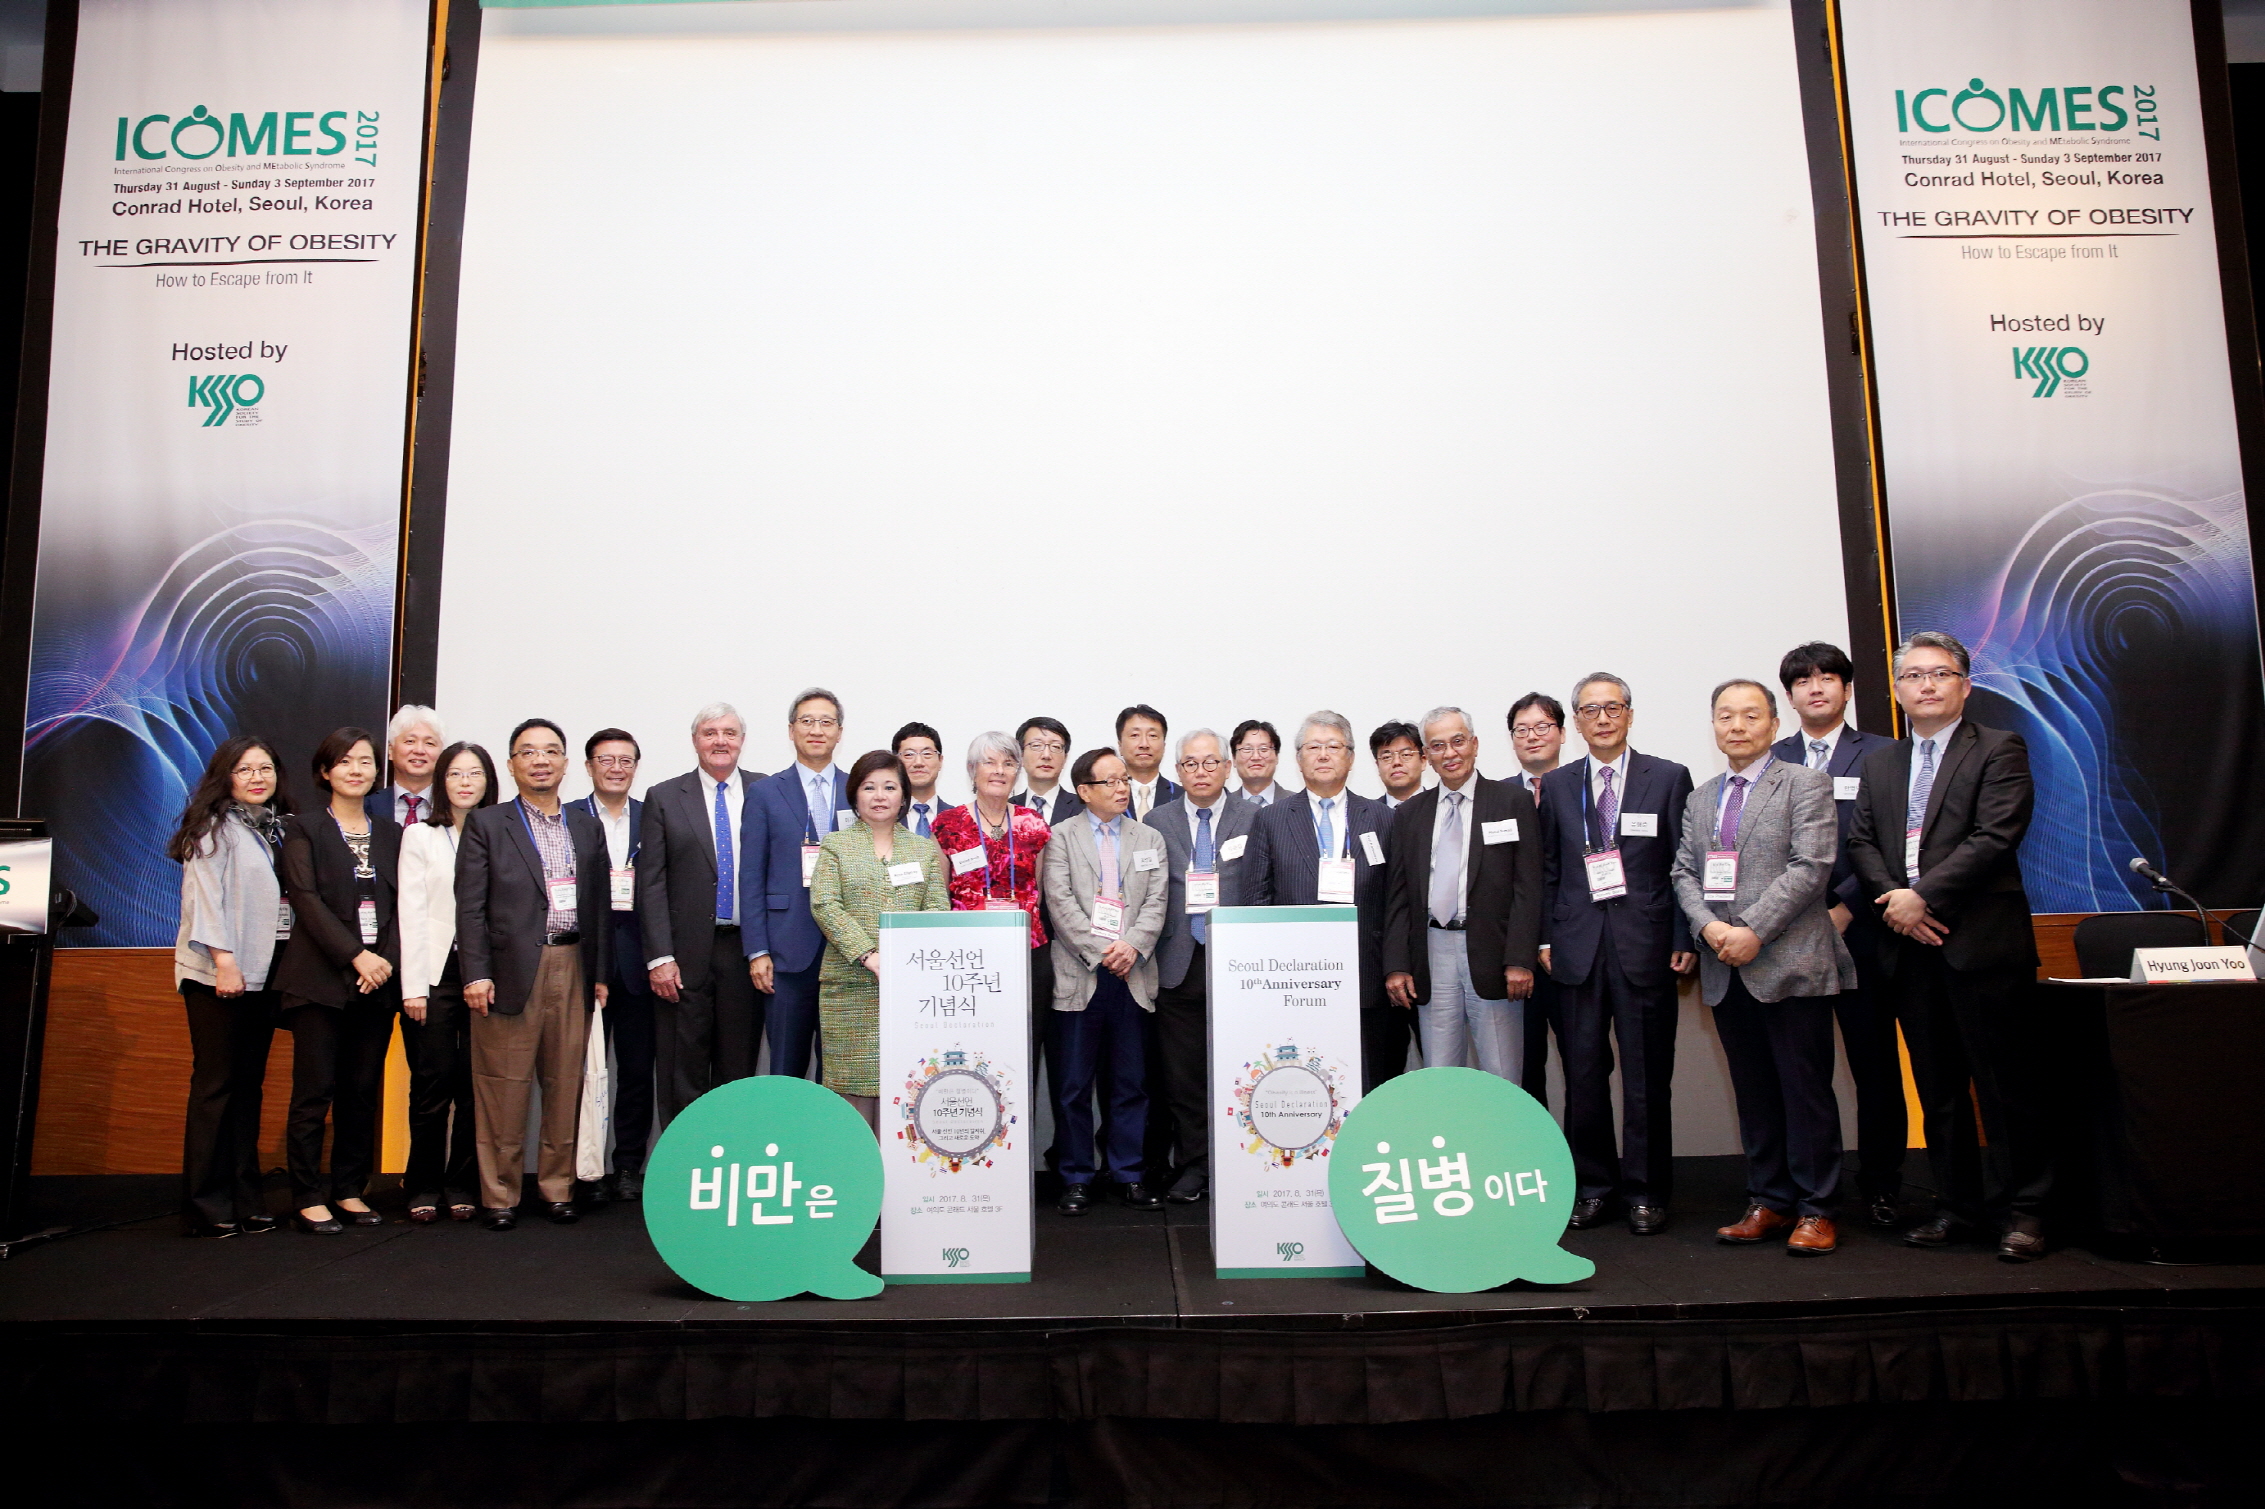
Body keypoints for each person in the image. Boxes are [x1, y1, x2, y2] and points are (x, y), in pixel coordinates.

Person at [1847, 631, 2047, 1262]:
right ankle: (1958, 1206)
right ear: (1897, 691)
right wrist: (1897, 903)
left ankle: (2027, 1211)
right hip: (1908, 947)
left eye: (1939, 673)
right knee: (1937, 1091)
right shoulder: (1882, 762)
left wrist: (1923, 898)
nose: (1926, 685)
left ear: (1965, 684)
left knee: (2005, 1086)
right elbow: (1861, 843)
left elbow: (1996, 836)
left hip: (1980, 944)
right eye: (1912, 676)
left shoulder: (1999, 748)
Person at [1671, 679, 1853, 1256]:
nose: (1737, 726)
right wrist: (1710, 928)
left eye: (1751, 715)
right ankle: (1770, 1200)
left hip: (1789, 962)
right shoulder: (1702, 797)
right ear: (1714, 726)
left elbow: (1811, 866)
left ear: (1774, 725)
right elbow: (1683, 871)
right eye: (1725, 716)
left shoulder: (1805, 782)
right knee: (1753, 1094)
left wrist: (1752, 929)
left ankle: (1817, 1208)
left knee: (1805, 1092)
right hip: (1725, 964)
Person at [1536, 674, 1695, 1236]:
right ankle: (1594, 1188)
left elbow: (1683, 864)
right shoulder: (1557, 785)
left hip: (1646, 946)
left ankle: (1646, 1193)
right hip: (1575, 949)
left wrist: (1682, 937)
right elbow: (1548, 869)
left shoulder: (1668, 777)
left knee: (1647, 1076)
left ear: (1629, 713)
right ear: (1576, 722)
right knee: (1582, 1074)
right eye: (1590, 710)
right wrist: (1545, 939)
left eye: (1612, 708)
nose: (1602, 719)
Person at [458, 718, 611, 1230]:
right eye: (528, 752)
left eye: (550, 751)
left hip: (574, 964)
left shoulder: (585, 825)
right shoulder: (487, 824)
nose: (540, 760)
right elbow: (470, 907)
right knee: (503, 1087)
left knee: (565, 1083)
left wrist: (600, 973)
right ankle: (500, 1195)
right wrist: (475, 973)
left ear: (566, 763)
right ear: (511, 764)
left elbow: (599, 907)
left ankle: (557, 1188)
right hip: (508, 971)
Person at [1774, 641, 1903, 1226]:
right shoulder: (1770, 758)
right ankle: (1802, 1189)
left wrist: (1848, 907)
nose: (1816, 688)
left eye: (1827, 678)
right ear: (1790, 696)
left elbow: (1892, 842)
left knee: (1874, 1065)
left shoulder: (1884, 754)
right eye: (1803, 681)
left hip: (1863, 933)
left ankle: (1882, 1185)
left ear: (1847, 689)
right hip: (1788, 939)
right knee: (1800, 1071)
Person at [272, 727, 400, 1234]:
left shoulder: (392, 833)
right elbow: (305, 899)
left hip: (377, 982)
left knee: (361, 1092)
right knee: (314, 1092)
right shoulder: (303, 829)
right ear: (325, 772)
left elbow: (405, 907)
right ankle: (307, 1195)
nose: (356, 770)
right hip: (318, 981)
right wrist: (356, 956)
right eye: (344, 761)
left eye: (365, 761)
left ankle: (348, 1189)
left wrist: (383, 961)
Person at [169, 735, 293, 1238]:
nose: (257, 778)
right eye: (245, 770)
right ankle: (206, 1203)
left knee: (247, 1088)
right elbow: (203, 900)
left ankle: (247, 1197)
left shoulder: (275, 828)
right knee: (215, 1087)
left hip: (262, 974)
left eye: (265, 768)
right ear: (226, 777)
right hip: (216, 974)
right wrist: (224, 962)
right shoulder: (211, 828)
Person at [1380, 707, 1542, 1088]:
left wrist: (1521, 958)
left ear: (1474, 744)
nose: (1450, 753)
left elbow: (1528, 887)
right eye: (1438, 746)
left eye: (1457, 741)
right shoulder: (1410, 814)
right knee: (1441, 1076)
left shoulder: (1511, 802)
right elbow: (1399, 896)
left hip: (1493, 954)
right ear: (1426, 755)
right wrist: (1397, 965)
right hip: (1432, 952)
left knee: (1502, 1076)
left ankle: (1502, 1131)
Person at [1247, 712, 1404, 1091]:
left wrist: (1394, 966)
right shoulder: (1270, 820)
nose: (1323, 755)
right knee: (1308, 1085)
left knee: (1370, 1082)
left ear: (1350, 758)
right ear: (1298, 759)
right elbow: (1256, 903)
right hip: (1295, 981)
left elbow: (1396, 900)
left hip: (1367, 977)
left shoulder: (1382, 818)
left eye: (1333, 746)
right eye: (1313, 747)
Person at [1041, 749, 1168, 1215]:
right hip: (1080, 975)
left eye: (1124, 780)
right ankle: (1076, 1177)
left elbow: (1157, 901)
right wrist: (1102, 951)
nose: (1121, 788)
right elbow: (1060, 903)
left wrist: (1131, 946)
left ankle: (1128, 1173)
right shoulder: (1060, 837)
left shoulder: (1149, 837)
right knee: (1073, 1086)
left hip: (1133, 974)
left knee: (1131, 1083)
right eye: (1110, 781)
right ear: (1084, 791)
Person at [1142, 728, 1259, 1202]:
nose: (1201, 771)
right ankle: (1194, 1165)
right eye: (1191, 763)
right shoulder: (1157, 820)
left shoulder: (1255, 817)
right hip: (1178, 961)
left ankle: (1239, 1162)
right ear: (1178, 771)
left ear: (1228, 768)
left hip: (1239, 964)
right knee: (1184, 1076)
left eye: (1211, 762)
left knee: (1241, 1069)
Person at [936, 733, 1059, 1173]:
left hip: (1028, 955)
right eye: (990, 763)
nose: (1000, 771)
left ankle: (1015, 1159)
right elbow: (939, 894)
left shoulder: (1032, 824)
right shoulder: (949, 824)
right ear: (972, 771)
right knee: (975, 1051)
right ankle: (971, 1147)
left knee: (1022, 1054)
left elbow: (1039, 890)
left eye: (1008, 764)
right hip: (969, 960)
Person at [637, 703, 766, 1118]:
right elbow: (651, 883)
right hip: (683, 956)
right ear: (695, 741)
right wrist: (660, 957)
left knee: (738, 1068)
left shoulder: (766, 791)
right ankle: (684, 1154)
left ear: (742, 740)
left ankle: (732, 1150)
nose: (720, 741)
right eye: (710, 733)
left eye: (729, 732)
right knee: (683, 1070)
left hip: (746, 953)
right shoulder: (664, 797)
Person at [809, 750, 950, 1129]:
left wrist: (905, 960)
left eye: (889, 787)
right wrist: (868, 955)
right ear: (855, 795)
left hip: (910, 991)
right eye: (869, 787)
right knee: (852, 1095)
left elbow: (937, 909)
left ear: (903, 796)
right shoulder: (836, 845)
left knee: (907, 1089)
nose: (879, 796)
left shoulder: (922, 849)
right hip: (849, 989)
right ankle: (855, 1165)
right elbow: (825, 904)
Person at [395, 740, 496, 1224]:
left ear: (489, 781)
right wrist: (413, 987)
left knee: (475, 1088)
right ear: (441, 781)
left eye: (474, 773)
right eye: (455, 773)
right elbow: (410, 914)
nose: (465, 782)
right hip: (434, 977)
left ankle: (462, 1182)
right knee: (431, 1085)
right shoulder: (420, 835)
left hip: (487, 978)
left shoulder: (501, 832)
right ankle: (422, 1183)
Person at [743, 688, 850, 1082]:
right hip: (785, 952)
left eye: (826, 722)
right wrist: (757, 950)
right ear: (791, 730)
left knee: (839, 1071)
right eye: (807, 721)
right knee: (786, 1069)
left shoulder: (859, 789)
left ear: (839, 732)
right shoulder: (765, 792)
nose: (816, 730)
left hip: (846, 951)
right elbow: (751, 876)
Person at [569, 728, 653, 1201]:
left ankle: (627, 1167)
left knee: (637, 1073)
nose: (616, 768)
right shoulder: (568, 817)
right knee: (580, 1072)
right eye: (606, 760)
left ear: (636, 767)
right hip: (584, 962)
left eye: (626, 760)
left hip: (641, 962)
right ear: (589, 767)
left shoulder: (652, 816)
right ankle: (584, 1169)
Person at [1508, 692, 1570, 1101]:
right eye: (1522, 730)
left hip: (1573, 953)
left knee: (1583, 1063)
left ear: (1562, 734)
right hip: (1514, 958)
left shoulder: (1584, 793)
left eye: (1542, 727)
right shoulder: (1496, 798)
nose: (1532, 737)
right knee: (1523, 1066)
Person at [368, 706, 447, 827]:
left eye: (429, 743)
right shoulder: (368, 806)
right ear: (390, 750)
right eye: (410, 741)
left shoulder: (453, 807)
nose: (419, 750)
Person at [1013, 717, 1082, 827]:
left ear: (1065, 758)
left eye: (1055, 747)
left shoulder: (1084, 809)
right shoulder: (1005, 809)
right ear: (1020, 755)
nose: (1046, 755)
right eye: (1036, 745)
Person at [892, 721, 957, 838]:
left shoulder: (959, 819)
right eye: (909, 754)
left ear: (940, 761)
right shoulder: (884, 817)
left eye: (927, 754)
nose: (918, 762)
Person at [1116, 705, 1181, 820]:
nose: (1144, 744)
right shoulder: (1105, 796)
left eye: (1152, 736)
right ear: (1120, 746)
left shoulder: (1182, 797)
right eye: (1135, 735)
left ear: (1164, 746)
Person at [1229, 720, 1292, 806]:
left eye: (1263, 749)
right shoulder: (1222, 807)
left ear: (1276, 756)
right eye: (1247, 749)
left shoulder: (1300, 805)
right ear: (1234, 758)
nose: (1256, 757)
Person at [1370, 721, 1425, 808]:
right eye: (1387, 757)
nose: (1396, 762)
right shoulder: (1367, 813)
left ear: (1423, 761)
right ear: (1378, 766)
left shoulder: (1441, 807)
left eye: (1406, 755)